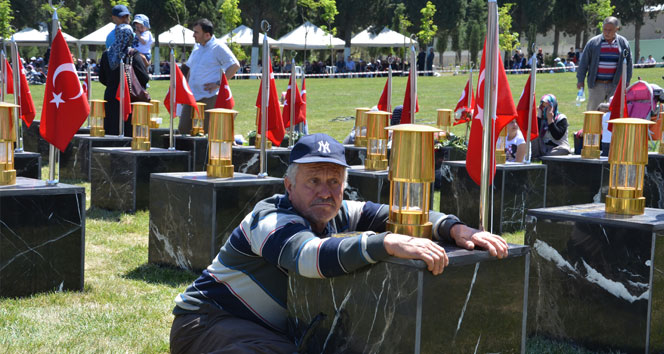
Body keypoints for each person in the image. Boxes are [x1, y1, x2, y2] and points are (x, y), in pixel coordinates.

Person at [169, 133, 509, 353]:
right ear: (289, 186)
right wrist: (384, 242)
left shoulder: (338, 211)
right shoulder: (269, 218)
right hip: (207, 323)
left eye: (334, 181)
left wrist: (454, 229)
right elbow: (308, 256)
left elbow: (397, 214)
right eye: (313, 180)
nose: (325, 190)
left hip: (269, 330)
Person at [179, 18, 240, 134]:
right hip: (191, 97)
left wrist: (218, 84)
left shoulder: (218, 47)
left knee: (205, 132)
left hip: (209, 97)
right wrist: (185, 90)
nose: (193, 35)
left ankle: (204, 152)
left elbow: (234, 65)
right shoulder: (197, 47)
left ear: (207, 35)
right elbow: (190, 70)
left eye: (196, 32)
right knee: (183, 129)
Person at [99, 4, 149, 136]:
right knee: (127, 134)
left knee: (111, 132)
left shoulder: (106, 54)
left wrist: (113, 84)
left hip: (110, 97)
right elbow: (144, 78)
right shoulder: (133, 54)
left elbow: (102, 78)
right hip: (128, 99)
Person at [576, 16, 632, 112]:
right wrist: (580, 80)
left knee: (614, 113)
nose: (607, 32)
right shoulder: (593, 43)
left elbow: (628, 63)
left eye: (610, 30)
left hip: (616, 85)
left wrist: (626, 81)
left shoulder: (623, 43)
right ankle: (592, 128)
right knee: (593, 114)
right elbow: (583, 63)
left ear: (617, 29)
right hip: (597, 85)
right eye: (605, 29)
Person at [532, 94, 571, 158]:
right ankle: (536, 156)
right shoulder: (541, 118)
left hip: (558, 147)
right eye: (543, 107)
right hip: (544, 147)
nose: (545, 109)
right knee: (533, 136)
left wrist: (550, 120)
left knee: (562, 150)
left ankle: (544, 157)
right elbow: (535, 133)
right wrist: (538, 116)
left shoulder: (561, 118)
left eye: (548, 107)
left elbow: (557, 136)